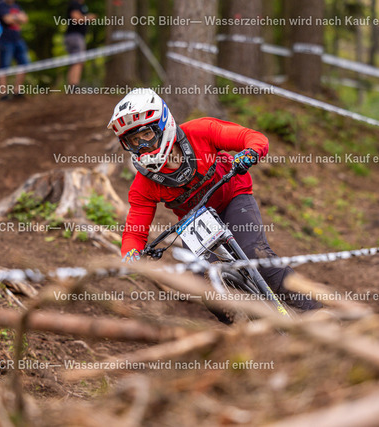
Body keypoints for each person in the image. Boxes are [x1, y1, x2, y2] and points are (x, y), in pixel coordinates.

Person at [109, 88, 320, 313]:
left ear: (162, 125)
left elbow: (253, 138)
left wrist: (250, 153)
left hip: (233, 197)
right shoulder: (143, 184)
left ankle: (316, 310)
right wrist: (130, 255)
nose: (142, 146)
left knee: (254, 255)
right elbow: (135, 231)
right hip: (194, 222)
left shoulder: (201, 131)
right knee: (205, 288)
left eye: (146, 135)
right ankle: (248, 332)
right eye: (134, 141)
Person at [0, 0, 29, 100]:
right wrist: (18, 17)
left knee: (24, 63)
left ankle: (17, 91)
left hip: (18, 39)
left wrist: (14, 18)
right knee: (4, 66)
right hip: (5, 40)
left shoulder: (16, 5)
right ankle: (3, 94)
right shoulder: (1, 5)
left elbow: (25, 19)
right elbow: (7, 20)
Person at [64, 0, 95, 89]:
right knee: (78, 61)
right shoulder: (75, 4)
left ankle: (72, 85)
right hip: (75, 37)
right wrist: (88, 18)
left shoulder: (80, 5)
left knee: (75, 61)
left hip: (75, 36)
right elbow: (76, 18)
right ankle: (74, 85)